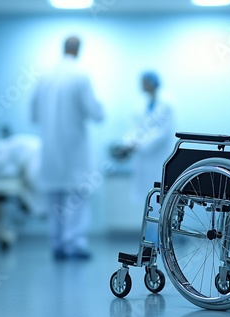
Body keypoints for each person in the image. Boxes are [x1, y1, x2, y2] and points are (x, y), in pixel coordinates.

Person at [31, 36, 104, 260]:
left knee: (54, 198)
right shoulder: (80, 75)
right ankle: (73, 244)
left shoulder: (45, 76)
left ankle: (56, 244)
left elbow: (33, 114)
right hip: (74, 151)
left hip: (50, 151)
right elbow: (96, 113)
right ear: (78, 49)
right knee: (76, 198)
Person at [110, 71, 175, 245]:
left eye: (144, 82)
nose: (141, 85)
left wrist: (137, 145)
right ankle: (151, 236)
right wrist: (126, 143)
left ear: (152, 83)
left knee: (160, 198)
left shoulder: (166, 103)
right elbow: (135, 129)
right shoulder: (141, 104)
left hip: (158, 157)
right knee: (148, 199)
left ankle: (161, 237)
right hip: (144, 160)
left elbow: (161, 133)